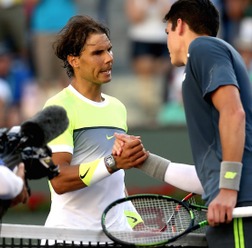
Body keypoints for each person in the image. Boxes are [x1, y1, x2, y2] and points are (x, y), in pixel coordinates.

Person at [116, 0, 252, 246]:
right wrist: (144, 160)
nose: (167, 43)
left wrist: (229, 190)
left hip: (240, 208)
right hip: (236, 207)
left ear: (179, 25)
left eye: (167, 32)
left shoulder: (203, 47)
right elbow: (206, 178)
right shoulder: (214, 53)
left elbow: (234, 113)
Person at [42, 15, 148, 234]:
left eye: (109, 50)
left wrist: (136, 223)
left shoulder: (118, 108)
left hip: (116, 236)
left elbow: (115, 183)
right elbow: (59, 180)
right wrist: (113, 162)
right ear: (74, 60)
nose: (108, 58)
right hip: (70, 238)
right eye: (98, 53)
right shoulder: (58, 108)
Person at [124, 0, 173, 125]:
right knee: (145, 74)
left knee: (162, 74)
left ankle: (159, 109)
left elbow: (170, 16)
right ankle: (147, 109)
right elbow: (135, 17)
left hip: (161, 38)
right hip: (141, 38)